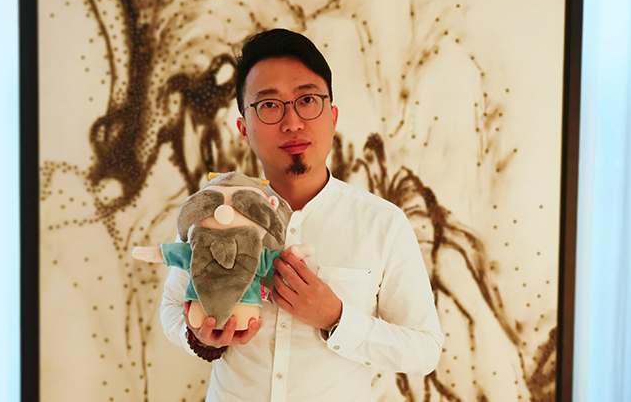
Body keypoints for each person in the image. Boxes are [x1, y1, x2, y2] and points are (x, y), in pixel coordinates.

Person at [160, 28, 444, 401]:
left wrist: (336, 318)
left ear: (332, 116)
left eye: (307, 100)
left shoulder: (383, 223)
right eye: (269, 105)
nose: (292, 122)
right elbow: (172, 308)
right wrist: (200, 337)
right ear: (244, 129)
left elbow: (424, 350)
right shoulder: (215, 210)